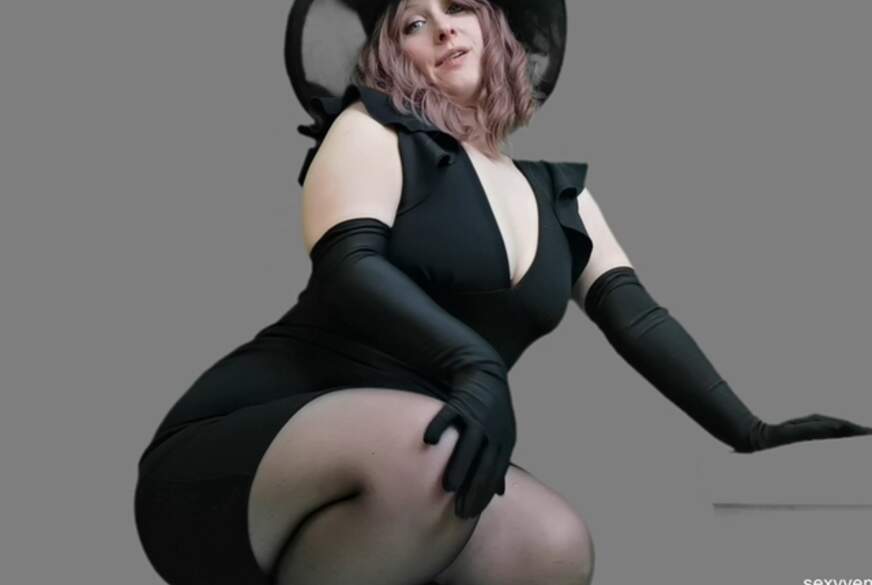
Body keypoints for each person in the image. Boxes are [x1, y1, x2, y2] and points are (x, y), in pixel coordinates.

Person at [133, 1, 872, 584]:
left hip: (410, 464)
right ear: (392, 56)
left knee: (553, 546)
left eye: (460, 5)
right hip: (245, 454)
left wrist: (750, 431)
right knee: (437, 456)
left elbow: (641, 321)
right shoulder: (369, 130)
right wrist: (476, 364)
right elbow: (349, 266)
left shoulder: (560, 199)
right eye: (414, 22)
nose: (443, 27)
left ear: (498, 30)